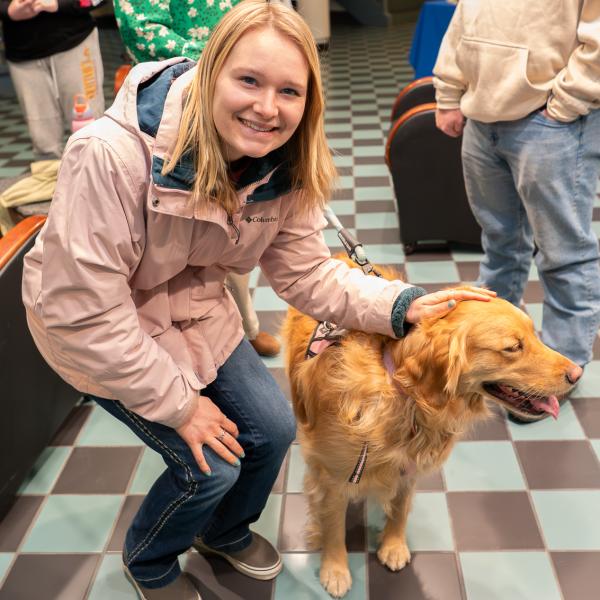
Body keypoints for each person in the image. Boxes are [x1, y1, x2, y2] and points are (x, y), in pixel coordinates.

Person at [22, 2, 494, 598]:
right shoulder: (109, 156)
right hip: (94, 332)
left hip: (190, 307)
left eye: (289, 91)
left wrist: (401, 304)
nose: (267, 108)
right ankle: (150, 559)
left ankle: (223, 531)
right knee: (211, 463)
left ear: (308, 101)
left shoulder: (283, 165)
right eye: (249, 80)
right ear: (211, 70)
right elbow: (85, 311)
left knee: (271, 430)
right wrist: (181, 405)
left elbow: (308, 276)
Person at [433, 0, 600, 420]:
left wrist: (565, 104)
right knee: (500, 243)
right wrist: (449, 93)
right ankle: (494, 361)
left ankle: (561, 371)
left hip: (551, 122)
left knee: (564, 252)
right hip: (482, 119)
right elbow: (462, 25)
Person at [112, 0, 291, 357]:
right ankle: (156, 329)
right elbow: (142, 29)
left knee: (236, 220)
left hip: (247, 101)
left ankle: (240, 326)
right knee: (170, 230)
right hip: (185, 104)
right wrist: (227, 61)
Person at [0, 0, 105, 159]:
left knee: (89, 134)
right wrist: (7, 10)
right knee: (44, 143)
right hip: (23, 56)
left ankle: (97, 180)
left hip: (75, 43)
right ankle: (50, 179)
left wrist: (60, 4)